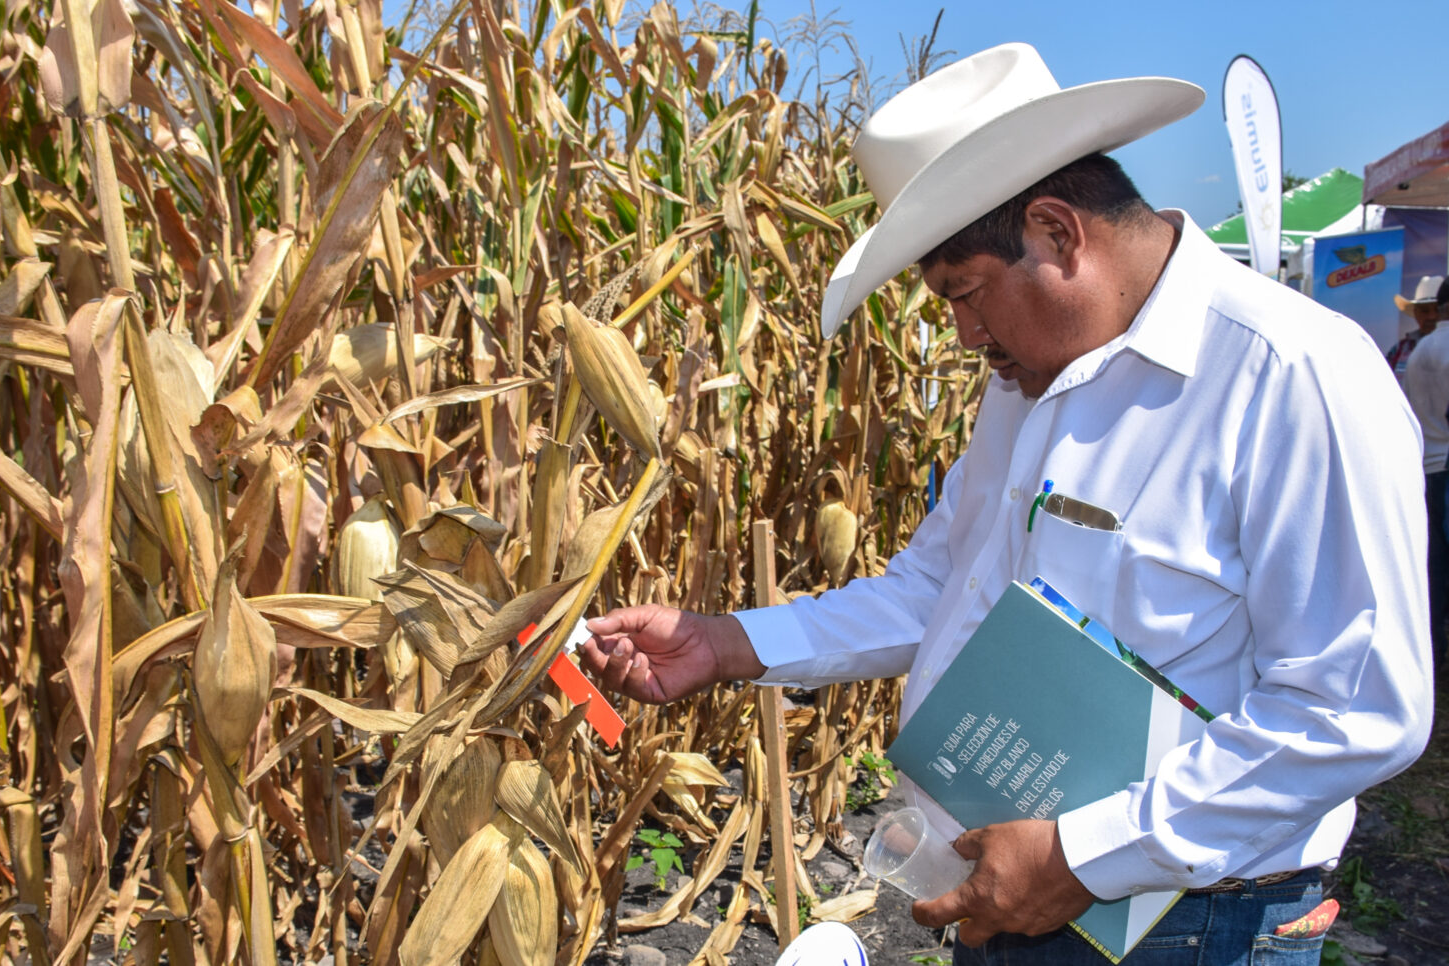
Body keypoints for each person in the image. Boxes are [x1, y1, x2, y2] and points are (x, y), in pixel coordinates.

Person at [580, 43, 1433, 964]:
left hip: (1184, 925)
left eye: (967, 296)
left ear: (1059, 232)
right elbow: (945, 584)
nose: (963, 336)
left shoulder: (1292, 378)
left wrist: (1083, 857)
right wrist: (730, 643)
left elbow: (1356, 709)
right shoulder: (1029, 383)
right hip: (1007, 887)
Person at [1401, 276, 1449, 667]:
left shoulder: (1418, 352)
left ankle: (1433, 650)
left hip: (1428, 463)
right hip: (1444, 464)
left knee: (1435, 568)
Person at [1385, 274, 1446, 382]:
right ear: (1416, 313)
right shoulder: (1399, 350)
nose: (1431, 316)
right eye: (1425, 310)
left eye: (1436, 310)